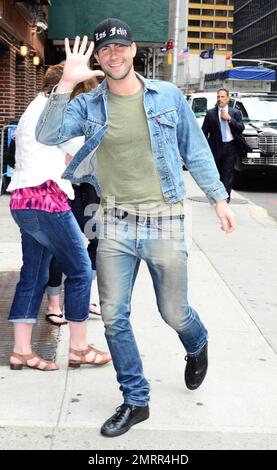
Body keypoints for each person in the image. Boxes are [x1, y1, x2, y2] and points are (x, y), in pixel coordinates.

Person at [36, 18, 236, 436]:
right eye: (105, 49)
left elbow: (195, 150)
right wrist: (63, 86)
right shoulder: (87, 104)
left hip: (163, 219)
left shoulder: (167, 96)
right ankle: (135, 399)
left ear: (132, 50)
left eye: (120, 47)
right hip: (113, 222)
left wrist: (219, 199)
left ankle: (197, 343)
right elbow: (46, 133)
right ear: (98, 56)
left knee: (173, 312)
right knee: (113, 317)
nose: (114, 54)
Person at [7, 62, 111, 371]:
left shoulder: (34, 107)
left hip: (24, 201)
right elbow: (84, 151)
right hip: (47, 201)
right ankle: (79, 348)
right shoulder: (56, 111)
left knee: (34, 274)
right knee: (80, 270)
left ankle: (21, 351)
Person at [45, 77, 101, 325]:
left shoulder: (96, 117)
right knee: (63, 244)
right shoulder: (57, 116)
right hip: (62, 188)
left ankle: (82, 295)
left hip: (89, 189)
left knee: (98, 240)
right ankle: (54, 302)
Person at [202, 88, 245, 202]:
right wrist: (204, 150)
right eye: (218, 97)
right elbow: (204, 133)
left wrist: (229, 119)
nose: (220, 99)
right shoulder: (210, 113)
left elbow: (241, 128)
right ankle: (216, 197)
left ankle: (225, 199)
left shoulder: (235, 113)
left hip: (230, 147)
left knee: (228, 174)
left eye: (222, 97)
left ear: (228, 98)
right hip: (215, 147)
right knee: (216, 174)